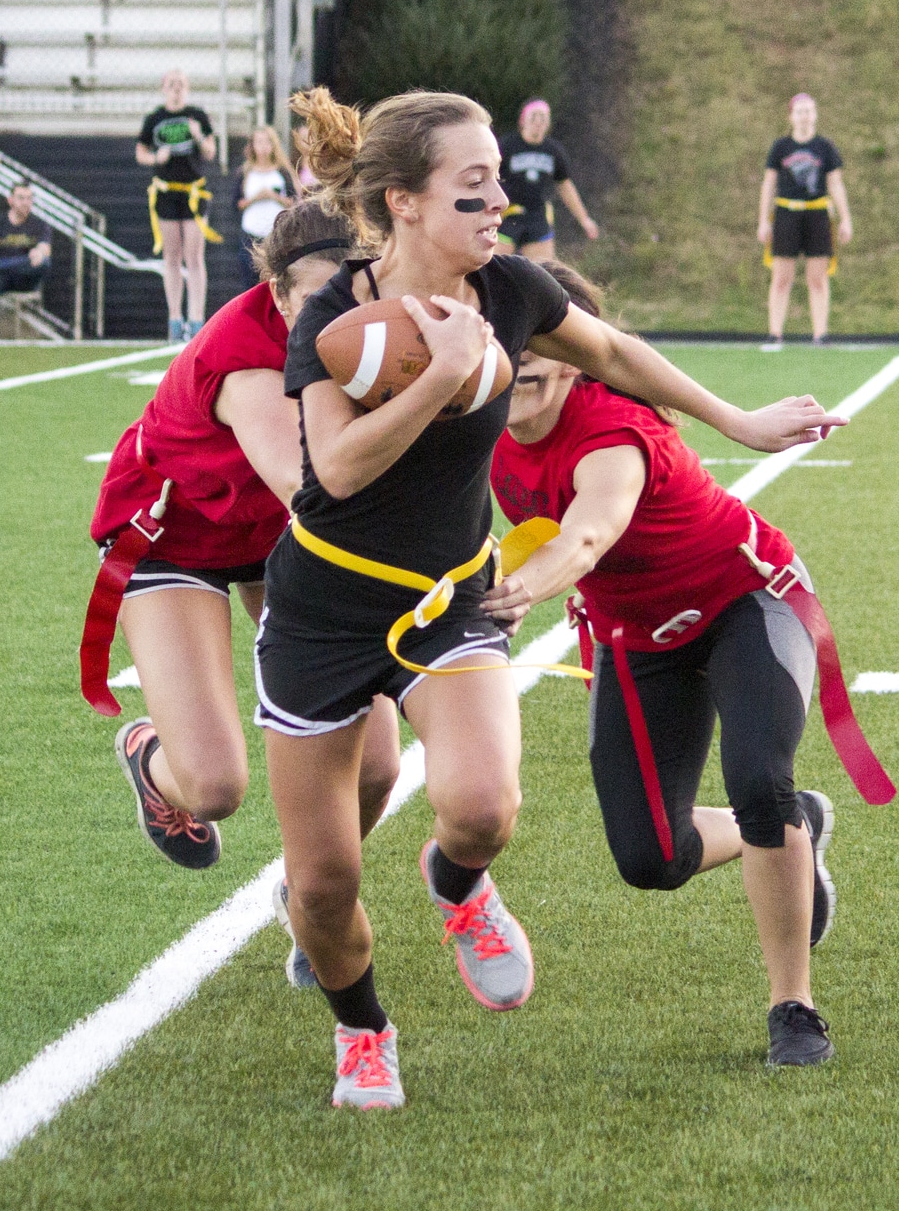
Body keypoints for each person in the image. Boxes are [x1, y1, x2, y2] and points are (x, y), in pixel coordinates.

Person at [259, 85, 844, 1109]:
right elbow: (338, 471)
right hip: (322, 610)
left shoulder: (513, 289)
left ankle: (458, 885)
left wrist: (737, 420)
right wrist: (440, 378)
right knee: (320, 883)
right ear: (403, 201)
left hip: (448, 597)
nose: (498, 204)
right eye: (472, 186)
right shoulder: (336, 318)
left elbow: (614, 352)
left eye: (497, 182)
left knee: (482, 806)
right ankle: (364, 1030)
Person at [492, 264, 892, 1069]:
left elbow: (589, 533)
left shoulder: (612, 430)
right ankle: (794, 829)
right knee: (650, 857)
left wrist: (516, 593)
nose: (515, 370)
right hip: (636, 636)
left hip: (748, 600)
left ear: (576, 357)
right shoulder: (482, 424)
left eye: (536, 352)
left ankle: (795, 1006)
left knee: (757, 779)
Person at [84, 199, 402, 890]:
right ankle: (150, 760)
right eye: (307, 298)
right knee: (215, 784)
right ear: (274, 291)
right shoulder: (245, 355)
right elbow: (311, 491)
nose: (327, 315)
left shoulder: (380, 322)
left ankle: (311, 891)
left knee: (377, 767)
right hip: (180, 532)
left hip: (282, 536)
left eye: (344, 294)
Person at [755, 93, 851, 347]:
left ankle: (821, 334)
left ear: (816, 115)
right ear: (791, 116)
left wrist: (845, 219)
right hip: (787, 213)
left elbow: (836, 184)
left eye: (809, 111)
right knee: (781, 277)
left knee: (817, 277)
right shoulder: (780, 148)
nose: (804, 116)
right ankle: (775, 333)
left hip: (817, 213)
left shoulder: (825, 148)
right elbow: (769, 184)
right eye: (799, 111)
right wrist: (763, 220)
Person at [136, 70, 218, 342]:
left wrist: (197, 136)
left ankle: (196, 319)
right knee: (171, 257)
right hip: (165, 191)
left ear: (188, 88)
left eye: (181, 85)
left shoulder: (197, 115)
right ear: (163, 88)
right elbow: (141, 152)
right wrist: (155, 158)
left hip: (193, 192)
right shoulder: (155, 119)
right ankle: (174, 319)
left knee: (193, 256)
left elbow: (210, 151)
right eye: (171, 85)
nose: (176, 89)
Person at [493, 99, 598, 263]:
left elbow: (564, 185)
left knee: (543, 274)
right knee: (496, 270)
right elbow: (490, 177)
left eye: (543, 118)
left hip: (537, 216)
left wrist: (584, 219)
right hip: (508, 215)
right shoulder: (507, 145)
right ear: (523, 120)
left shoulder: (553, 150)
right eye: (534, 117)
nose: (538, 122)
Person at [0, 181, 53, 339]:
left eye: (29, 198)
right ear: (10, 200)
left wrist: (38, 252)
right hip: (2, 279)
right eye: (21, 198)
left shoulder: (40, 224)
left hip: (27, 278)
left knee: (44, 262)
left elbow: (44, 250)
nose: (26, 202)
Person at [235, 124, 293, 287]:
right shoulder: (245, 171)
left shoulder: (282, 171)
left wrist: (274, 197)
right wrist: (256, 198)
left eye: (267, 142)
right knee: (250, 280)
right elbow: (237, 203)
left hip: (275, 234)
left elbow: (293, 201)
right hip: (251, 234)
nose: (263, 146)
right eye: (259, 142)